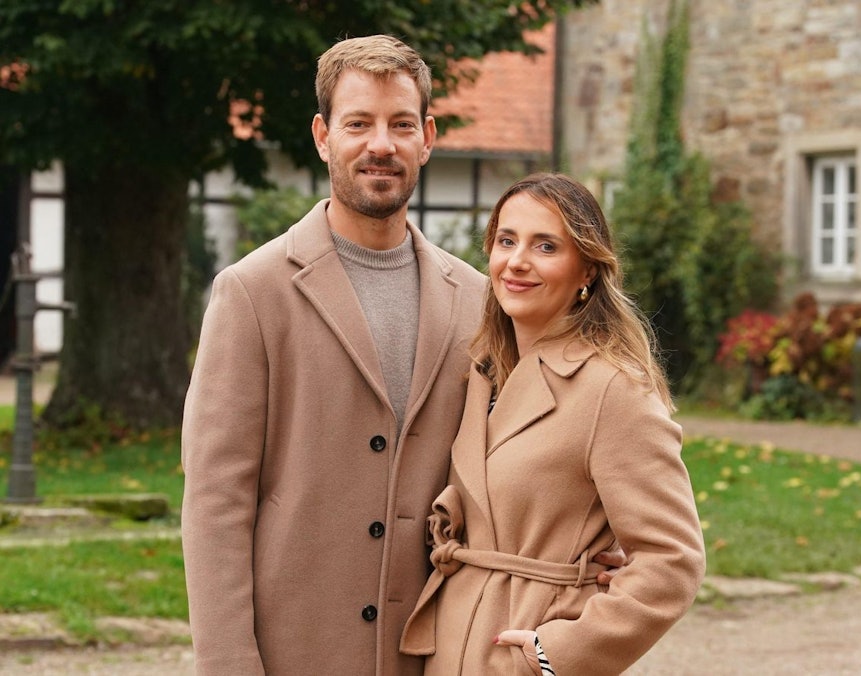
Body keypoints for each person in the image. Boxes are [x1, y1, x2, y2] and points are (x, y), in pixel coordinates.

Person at [181, 35, 625, 676]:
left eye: (401, 124)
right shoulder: (252, 293)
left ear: (427, 138)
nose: (381, 144)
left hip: (437, 653)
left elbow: (518, 454)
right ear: (322, 136)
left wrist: (583, 545)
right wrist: (228, 665)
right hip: (293, 652)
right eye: (358, 123)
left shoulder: (479, 298)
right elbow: (215, 502)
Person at [400, 173, 706, 675]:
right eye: (507, 241)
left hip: (522, 652)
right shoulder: (481, 374)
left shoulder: (613, 389)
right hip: (448, 647)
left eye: (546, 246)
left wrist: (557, 654)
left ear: (587, 269)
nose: (517, 261)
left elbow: (672, 560)